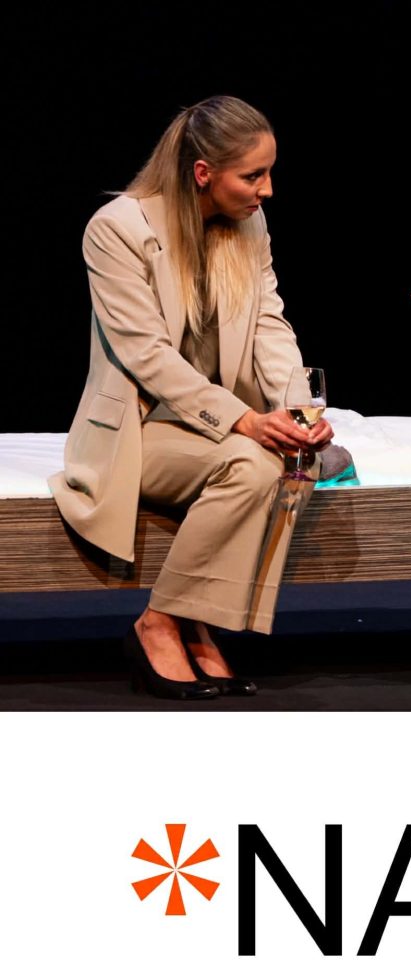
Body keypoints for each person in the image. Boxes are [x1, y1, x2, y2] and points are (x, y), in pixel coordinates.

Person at [50, 95, 333, 699]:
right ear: (204, 173)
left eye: (268, 172)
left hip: (213, 424)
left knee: (293, 460)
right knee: (252, 462)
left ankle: (187, 620)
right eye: (252, 175)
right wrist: (244, 421)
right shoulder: (117, 229)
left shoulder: (249, 225)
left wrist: (297, 409)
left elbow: (269, 324)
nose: (267, 190)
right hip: (139, 428)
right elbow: (146, 354)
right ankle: (161, 623)